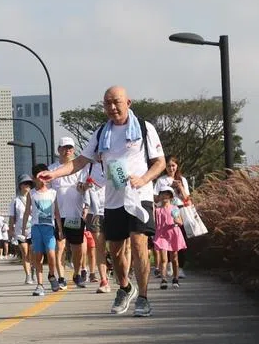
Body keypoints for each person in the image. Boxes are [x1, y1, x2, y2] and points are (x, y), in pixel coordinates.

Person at [37, 85, 166, 317]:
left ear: (128, 102)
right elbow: (79, 162)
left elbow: (160, 162)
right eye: (107, 103)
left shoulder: (144, 128)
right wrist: (53, 174)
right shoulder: (100, 134)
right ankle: (125, 288)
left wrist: (144, 179)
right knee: (114, 250)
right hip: (114, 199)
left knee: (139, 244)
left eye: (117, 101)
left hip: (140, 196)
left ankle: (144, 298)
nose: (112, 107)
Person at [50, 136, 87, 289]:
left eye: (70, 148)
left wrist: (85, 201)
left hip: (75, 214)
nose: (67, 151)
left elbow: (86, 189)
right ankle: (61, 277)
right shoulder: (52, 169)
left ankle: (77, 274)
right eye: (64, 148)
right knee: (60, 247)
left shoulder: (81, 169)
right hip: (58, 215)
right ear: (59, 150)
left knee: (77, 248)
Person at [23, 162, 60, 296]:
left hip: (49, 228)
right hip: (36, 228)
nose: (43, 179)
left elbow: (57, 212)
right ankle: (40, 285)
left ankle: (52, 275)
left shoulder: (53, 193)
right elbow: (27, 212)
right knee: (38, 256)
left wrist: (60, 229)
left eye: (45, 176)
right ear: (34, 178)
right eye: (40, 177)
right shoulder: (31, 193)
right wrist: (23, 229)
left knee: (51, 254)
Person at [77, 160, 111, 293]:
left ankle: (120, 272)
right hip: (95, 211)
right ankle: (104, 280)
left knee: (117, 246)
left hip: (113, 208)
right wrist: (84, 186)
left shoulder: (113, 162)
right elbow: (79, 187)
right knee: (99, 245)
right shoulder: (88, 167)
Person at [152, 179, 187, 288]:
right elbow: (155, 223)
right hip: (162, 235)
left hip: (173, 234)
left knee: (174, 258)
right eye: (162, 194)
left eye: (167, 194)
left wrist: (177, 221)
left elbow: (180, 221)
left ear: (171, 197)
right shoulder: (157, 210)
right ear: (159, 196)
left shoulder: (174, 208)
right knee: (163, 259)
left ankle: (175, 279)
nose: (165, 196)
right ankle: (163, 279)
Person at [8, 175, 34, 284]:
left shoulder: (34, 198)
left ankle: (33, 269)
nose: (27, 185)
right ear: (20, 186)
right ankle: (28, 275)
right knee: (25, 252)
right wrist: (11, 230)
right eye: (25, 183)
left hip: (33, 229)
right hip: (20, 231)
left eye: (29, 183)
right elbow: (12, 217)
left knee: (32, 252)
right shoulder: (15, 201)